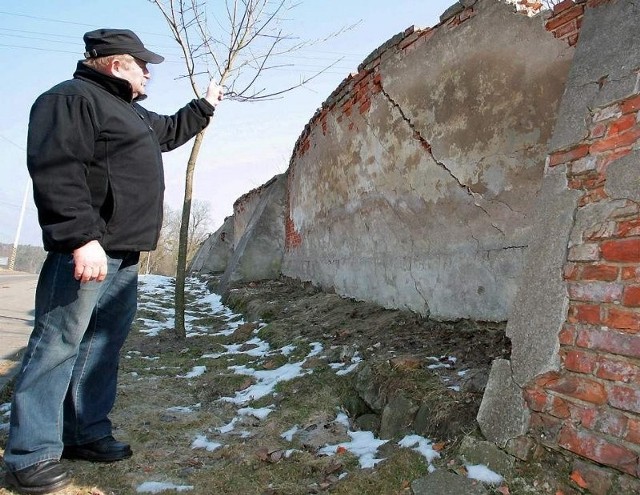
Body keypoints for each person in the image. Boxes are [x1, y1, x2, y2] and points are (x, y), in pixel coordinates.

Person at [3, 28, 223, 494]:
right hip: (87, 249)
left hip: (123, 252)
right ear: (115, 63)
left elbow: (168, 132)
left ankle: (84, 433)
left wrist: (204, 106)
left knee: (102, 344)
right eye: (142, 64)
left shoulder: (130, 112)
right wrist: (80, 238)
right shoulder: (70, 99)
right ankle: (30, 456)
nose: (148, 72)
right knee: (57, 344)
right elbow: (56, 168)